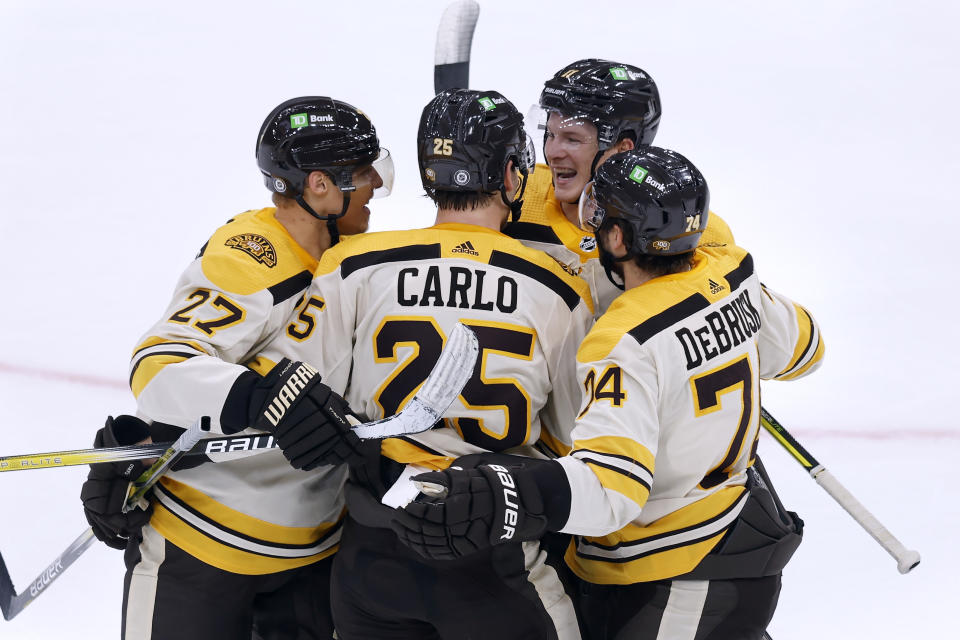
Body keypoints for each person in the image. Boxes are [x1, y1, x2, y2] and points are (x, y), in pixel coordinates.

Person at [394, 147, 824, 640]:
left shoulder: (624, 342)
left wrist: (506, 490)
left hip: (674, 567)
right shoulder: (732, 272)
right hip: (736, 533)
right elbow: (806, 349)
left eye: (599, 221)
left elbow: (612, 490)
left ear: (618, 239)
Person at [257, 88, 593, 639]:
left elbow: (289, 387)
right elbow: (572, 438)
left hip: (371, 561)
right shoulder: (560, 287)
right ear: (512, 175)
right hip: (494, 556)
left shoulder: (352, 263)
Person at [79, 96, 394, 639]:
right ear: (319, 185)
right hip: (202, 550)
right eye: (363, 173)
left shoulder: (362, 257)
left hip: (313, 557)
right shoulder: (251, 256)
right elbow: (160, 365)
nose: (376, 186)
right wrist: (259, 396)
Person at [506, 58, 735, 323]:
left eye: (572, 139)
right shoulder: (515, 197)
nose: (553, 152)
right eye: (551, 133)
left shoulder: (689, 231)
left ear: (623, 149)